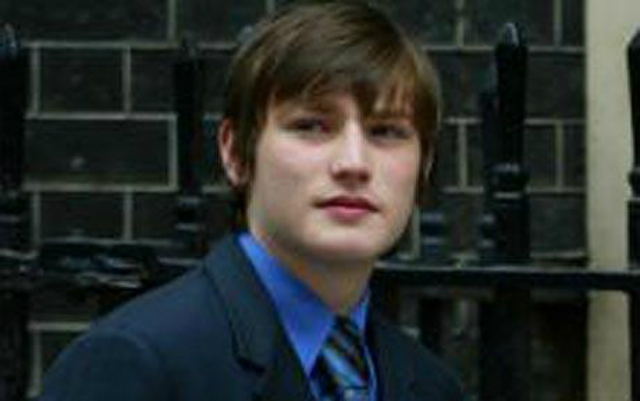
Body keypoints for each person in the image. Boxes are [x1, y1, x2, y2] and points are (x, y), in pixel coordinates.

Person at [38, 1, 465, 400]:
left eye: (386, 131)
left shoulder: (431, 386)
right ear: (235, 152)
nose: (354, 163)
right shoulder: (133, 363)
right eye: (312, 125)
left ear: (424, 164)